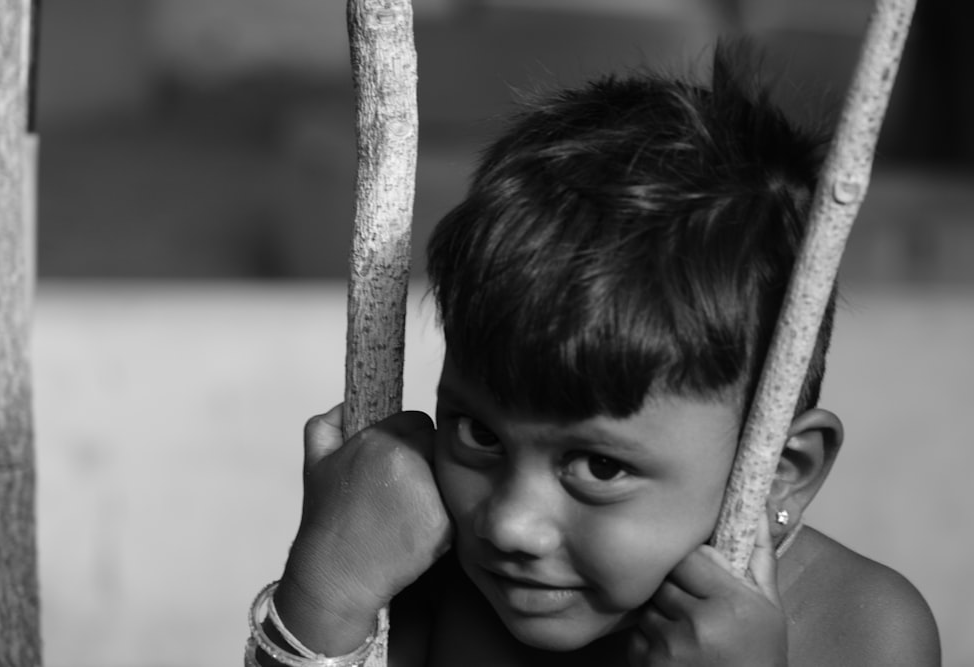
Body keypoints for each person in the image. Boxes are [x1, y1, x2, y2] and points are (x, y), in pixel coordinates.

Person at [246, 46, 940, 666]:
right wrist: (326, 596)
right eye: (479, 433)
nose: (510, 523)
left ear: (782, 471)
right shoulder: (418, 583)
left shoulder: (861, 630)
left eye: (600, 465)